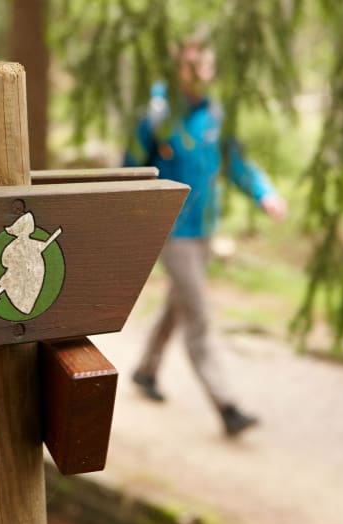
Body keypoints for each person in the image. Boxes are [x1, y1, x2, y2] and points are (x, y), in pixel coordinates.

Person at [124, 39, 287, 437]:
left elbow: (235, 163)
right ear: (179, 69)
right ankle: (227, 405)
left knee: (178, 305)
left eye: (207, 67)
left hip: (204, 230)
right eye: (192, 66)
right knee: (199, 316)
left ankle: (145, 371)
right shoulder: (156, 116)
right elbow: (129, 171)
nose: (200, 74)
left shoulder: (216, 114)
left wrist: (264, 193)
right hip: (171, 232)